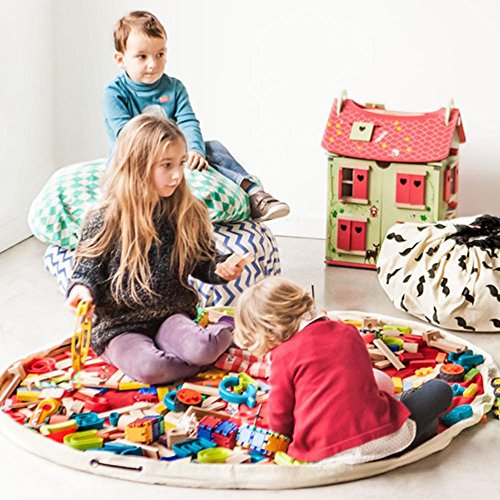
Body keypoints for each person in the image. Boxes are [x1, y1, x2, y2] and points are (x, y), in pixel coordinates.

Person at [65, 114, 244, 385]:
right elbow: (86, 271)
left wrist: (221, 267)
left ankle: (225, 331)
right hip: (120, 327)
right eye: (166, 165)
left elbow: (203, 260)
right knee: (151, 368)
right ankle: (192, 361)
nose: (177, 175)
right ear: (137, 166)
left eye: (181, 163)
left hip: (171, 315)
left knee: (203, 349)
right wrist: (81, 290)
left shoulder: (186, 211)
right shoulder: (104, 218)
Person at [234, 277, 453, 464]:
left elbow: (280, 415)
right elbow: (360, 376)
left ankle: (411, 423)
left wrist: (280, 440)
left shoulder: (282, 356)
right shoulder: (347, 331)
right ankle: (414, 428)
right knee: (439, 389)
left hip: (320, 454)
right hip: (381, 439)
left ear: (265, 331)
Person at [102, 10, 290, 223]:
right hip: (135, 155)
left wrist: (194, 150)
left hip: (173, 153)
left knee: (213, 148)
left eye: (160, 54)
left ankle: (255, 194)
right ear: (121, 59)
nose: (153, 64)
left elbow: (187, 121)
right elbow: (125, 134)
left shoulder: (174, 88)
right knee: (118, 162)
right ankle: (122, 208)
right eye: (142, 57)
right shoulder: (114, 92)